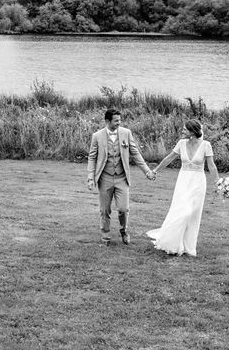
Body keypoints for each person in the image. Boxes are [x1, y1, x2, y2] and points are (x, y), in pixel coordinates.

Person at [146, 119, 219, 256]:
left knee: (191, 214)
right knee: (181, 210)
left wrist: (217, 183)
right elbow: (169, 158)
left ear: (193, 132)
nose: (182, 131)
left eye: (185, 129)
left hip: (198, 182)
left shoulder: (206, 145)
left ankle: (187, 245)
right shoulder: (181, 143)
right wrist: (155, 170)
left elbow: (211, 165)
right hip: (183, 181)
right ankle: (172, 242)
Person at [87, 108, 155, 245]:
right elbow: (92, 157)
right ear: (107, 121)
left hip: (122, 178)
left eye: (120, 120)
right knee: (105, 210)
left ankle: (123, 230)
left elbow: (135, 153)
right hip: (105, 178)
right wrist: (90, 178)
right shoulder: (97, 136)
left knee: (124, 209)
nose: (119, 122)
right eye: (116, 120)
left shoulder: (126, 133)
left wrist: (147, 171)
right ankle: (105, 236)